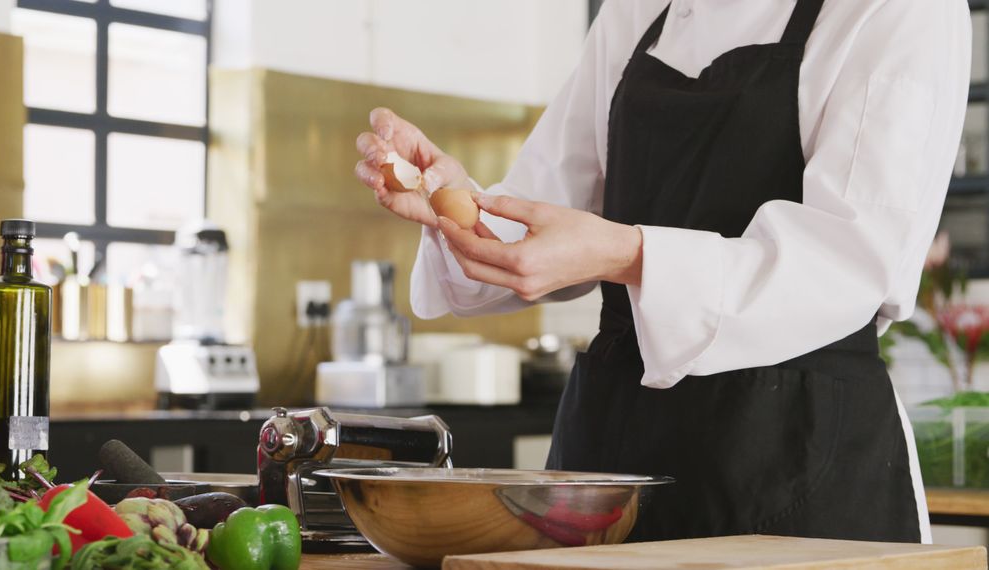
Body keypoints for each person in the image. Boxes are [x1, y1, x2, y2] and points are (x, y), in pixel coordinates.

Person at [354, 0, 969, 544]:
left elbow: (850, 263)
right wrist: (455, 203)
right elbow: (541, 219)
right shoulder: (636, 10)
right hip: (609, 465)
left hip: (800, 456)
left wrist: (629, 254)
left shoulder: (897, 9)